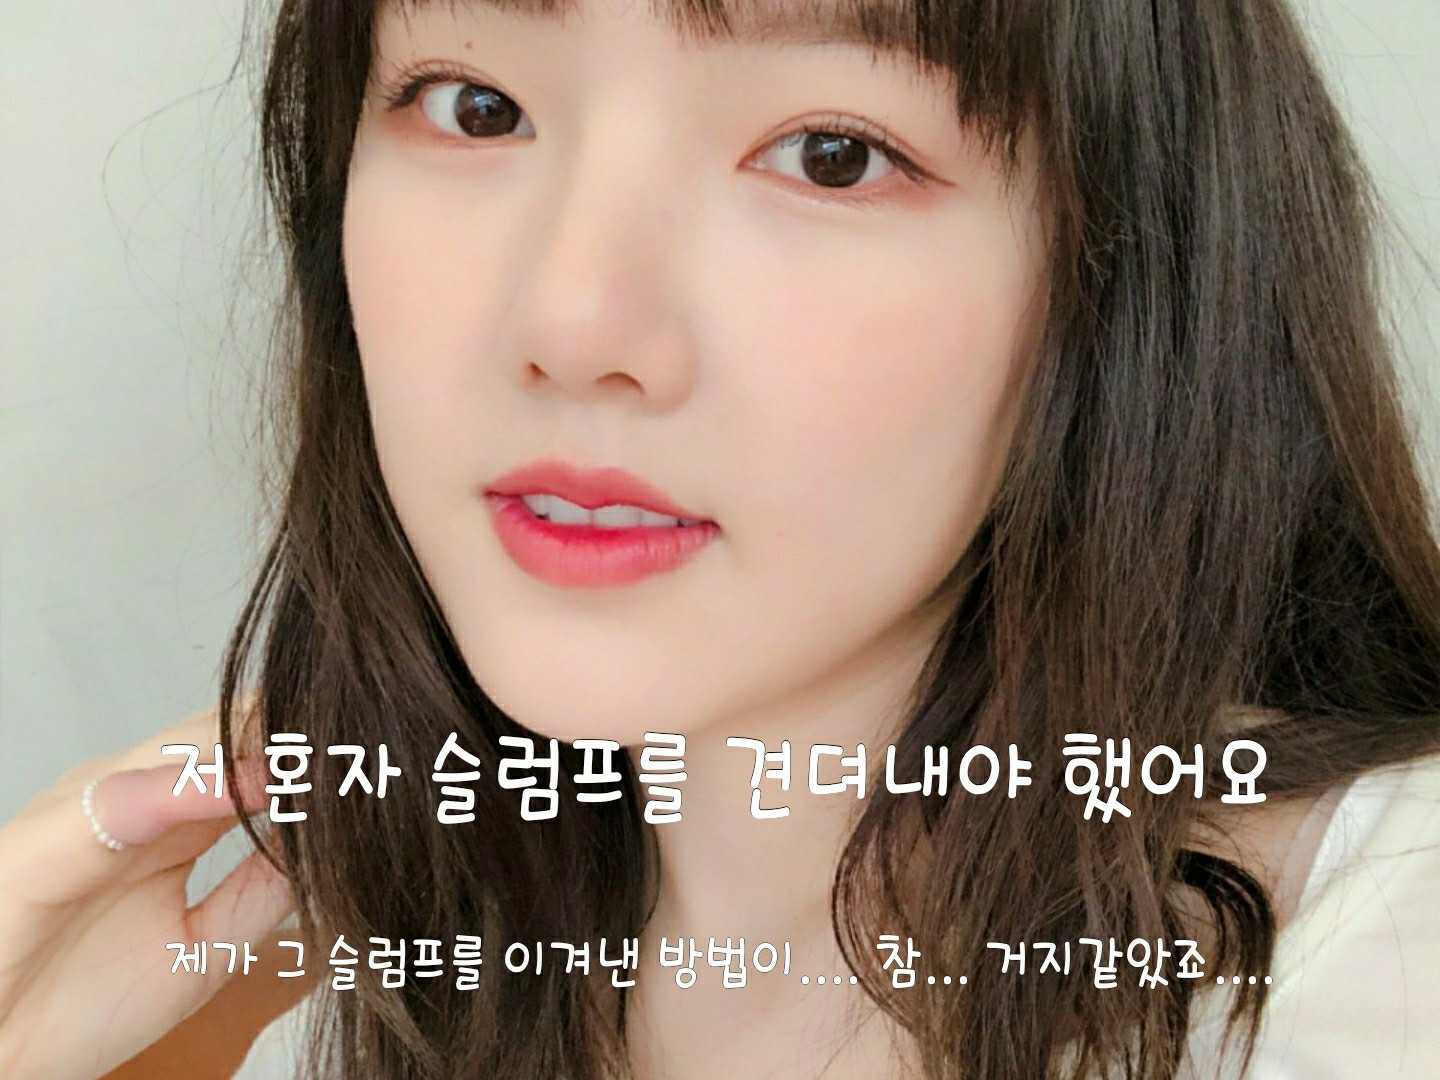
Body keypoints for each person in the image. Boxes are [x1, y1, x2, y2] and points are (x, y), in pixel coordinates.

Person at [2, 0, 1438, 1077]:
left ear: (1128, 268)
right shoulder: (373, 1018)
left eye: (831, 156)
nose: (574, 323)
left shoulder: (1383, 959)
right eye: (475, 108)